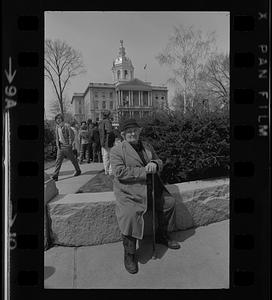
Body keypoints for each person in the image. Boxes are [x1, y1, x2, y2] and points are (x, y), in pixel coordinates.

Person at [110, 118, 180, 274]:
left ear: (139, 131)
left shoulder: (147, 146)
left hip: (152, 188)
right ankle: (129, 254)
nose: (132, 133)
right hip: (130, 193)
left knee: (169, 203)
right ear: (123, 134)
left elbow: (159, 161)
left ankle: (161, 235)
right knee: (129, 215)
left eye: (135, 130)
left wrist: (155, 163)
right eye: (128, 132)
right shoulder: (117, 151)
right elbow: (119, 172)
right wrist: (145, 171)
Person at [51, 114, 81, 181]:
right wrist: (57, 145)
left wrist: (70, 144)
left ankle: (78, 170)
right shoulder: (57, 127)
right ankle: (55, 175)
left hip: (67, 146)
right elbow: (57, 137)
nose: (58, 120)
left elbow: (71, 136)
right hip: (60, 146)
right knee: (58, 161)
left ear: (62, 119)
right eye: (57, 119)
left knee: (72, 159)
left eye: (59, 118)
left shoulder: (67, 126)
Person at [99, 110, 115, 175]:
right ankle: (110, 171)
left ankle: (106, 170)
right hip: (108, 141)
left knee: (105, 156)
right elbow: (110, 132)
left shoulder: (101, 122)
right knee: (111, 156)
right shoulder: (107, 122)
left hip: (103, 142)